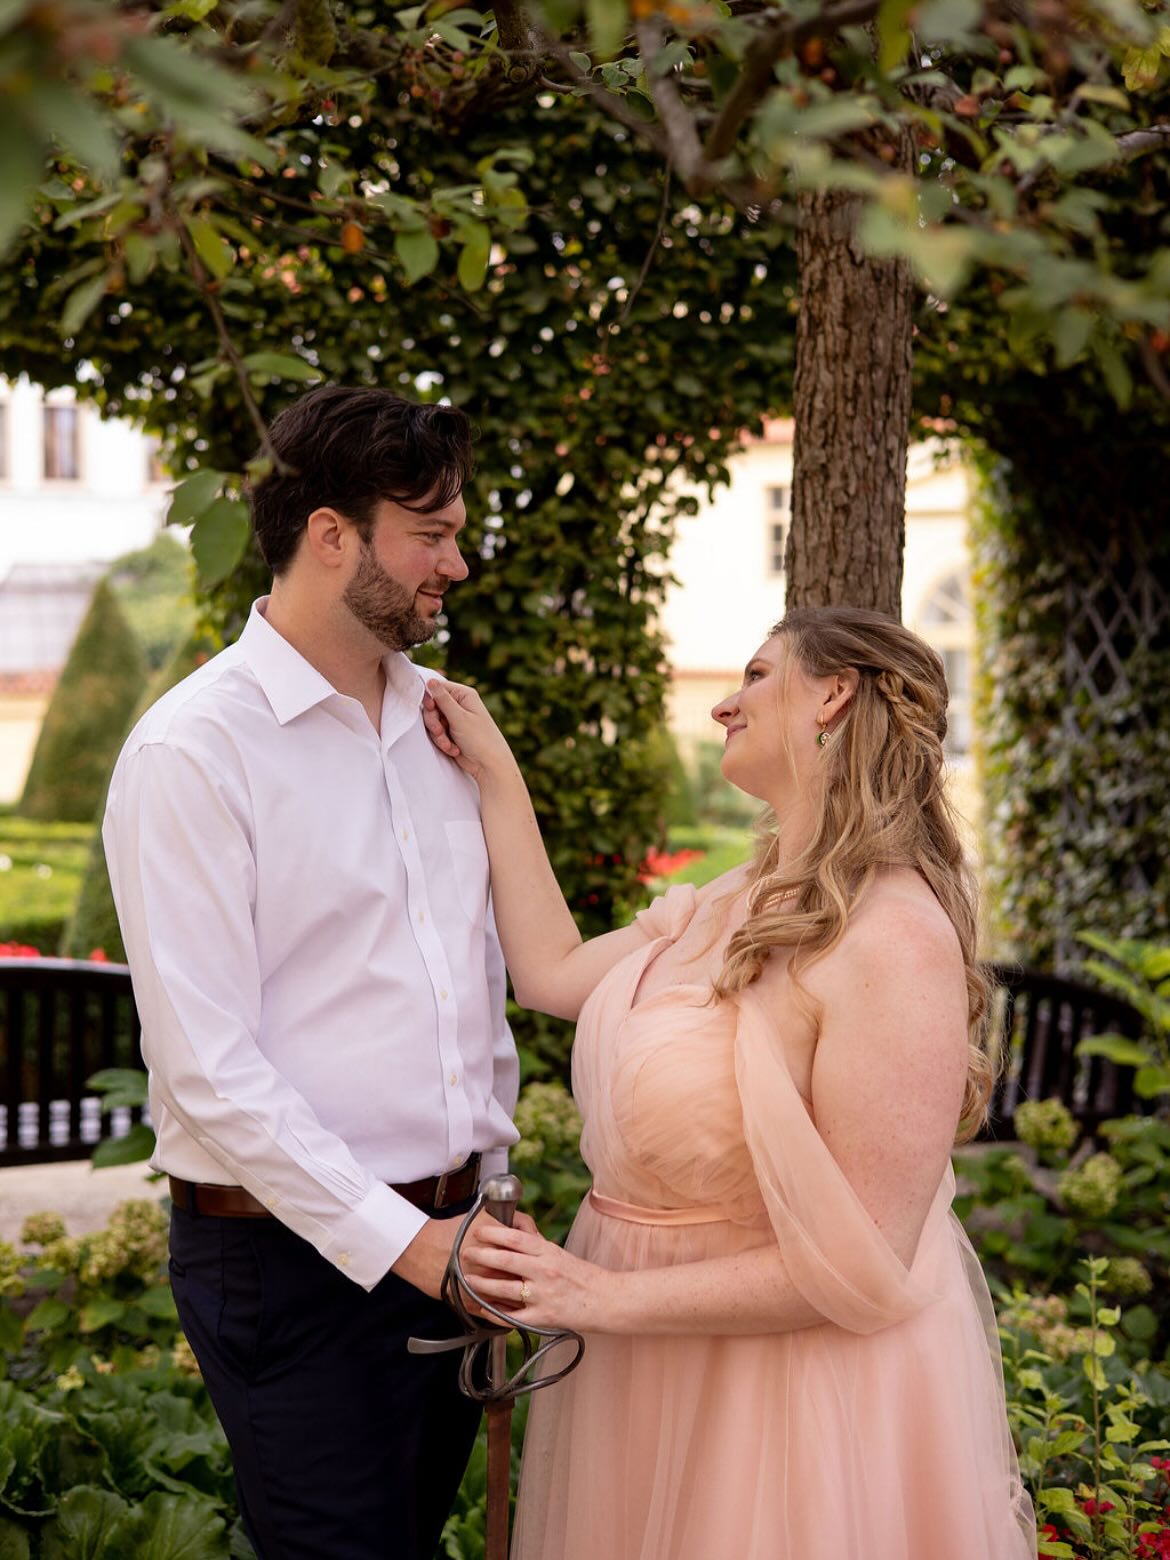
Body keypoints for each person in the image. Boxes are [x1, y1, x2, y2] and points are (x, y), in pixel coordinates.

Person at [422, 605, 1038, 1560]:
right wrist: (494, 769)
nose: (723, 706)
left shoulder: (894, 938)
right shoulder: (727, 901)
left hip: (783, 1402)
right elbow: (550, 974)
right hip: (641, 1375)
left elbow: (867, 1258)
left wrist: (595, 1296)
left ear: (833, 695)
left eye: (756, 675)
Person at [102, 385, 523, 1560]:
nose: (458, 565)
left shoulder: (447, 730)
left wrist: (489, 1193)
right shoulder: (194, 750)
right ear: (332, 535)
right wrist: (407, 1243)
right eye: (431, 535)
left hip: (454, 1242)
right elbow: (207, 1069)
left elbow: (468, 986)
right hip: (288, 1265)